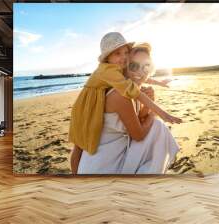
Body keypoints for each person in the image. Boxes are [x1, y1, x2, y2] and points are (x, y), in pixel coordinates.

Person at [69, 32, 181, 172]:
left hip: (114, 154)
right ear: (124, 66)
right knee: (79, 146)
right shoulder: (119, 89)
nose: (140, 71)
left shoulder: (125, 84)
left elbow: (138, 117)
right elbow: (138, 135)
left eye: (146, 66)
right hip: (99, 163)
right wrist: (156, 113)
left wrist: (150, 99)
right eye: (133, 66)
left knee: (156, 127)